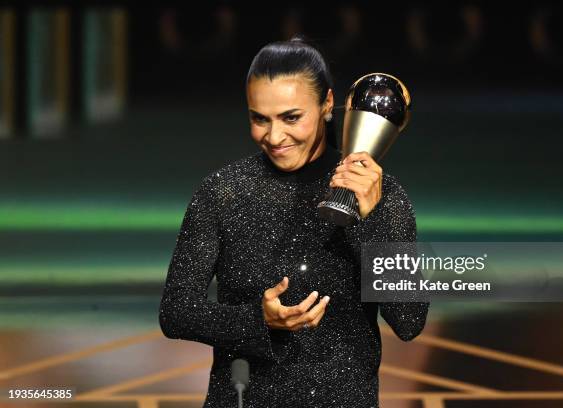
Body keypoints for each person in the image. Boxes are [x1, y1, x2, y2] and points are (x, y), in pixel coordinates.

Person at [158, 36, 429, 408]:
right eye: (259, 119)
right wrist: (257, 320)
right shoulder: (221, 193)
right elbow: (175, 313)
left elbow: (409, 321)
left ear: (327, 104)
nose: (274, 136)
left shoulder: (383, 196)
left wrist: (370, 220)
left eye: (291, 117)